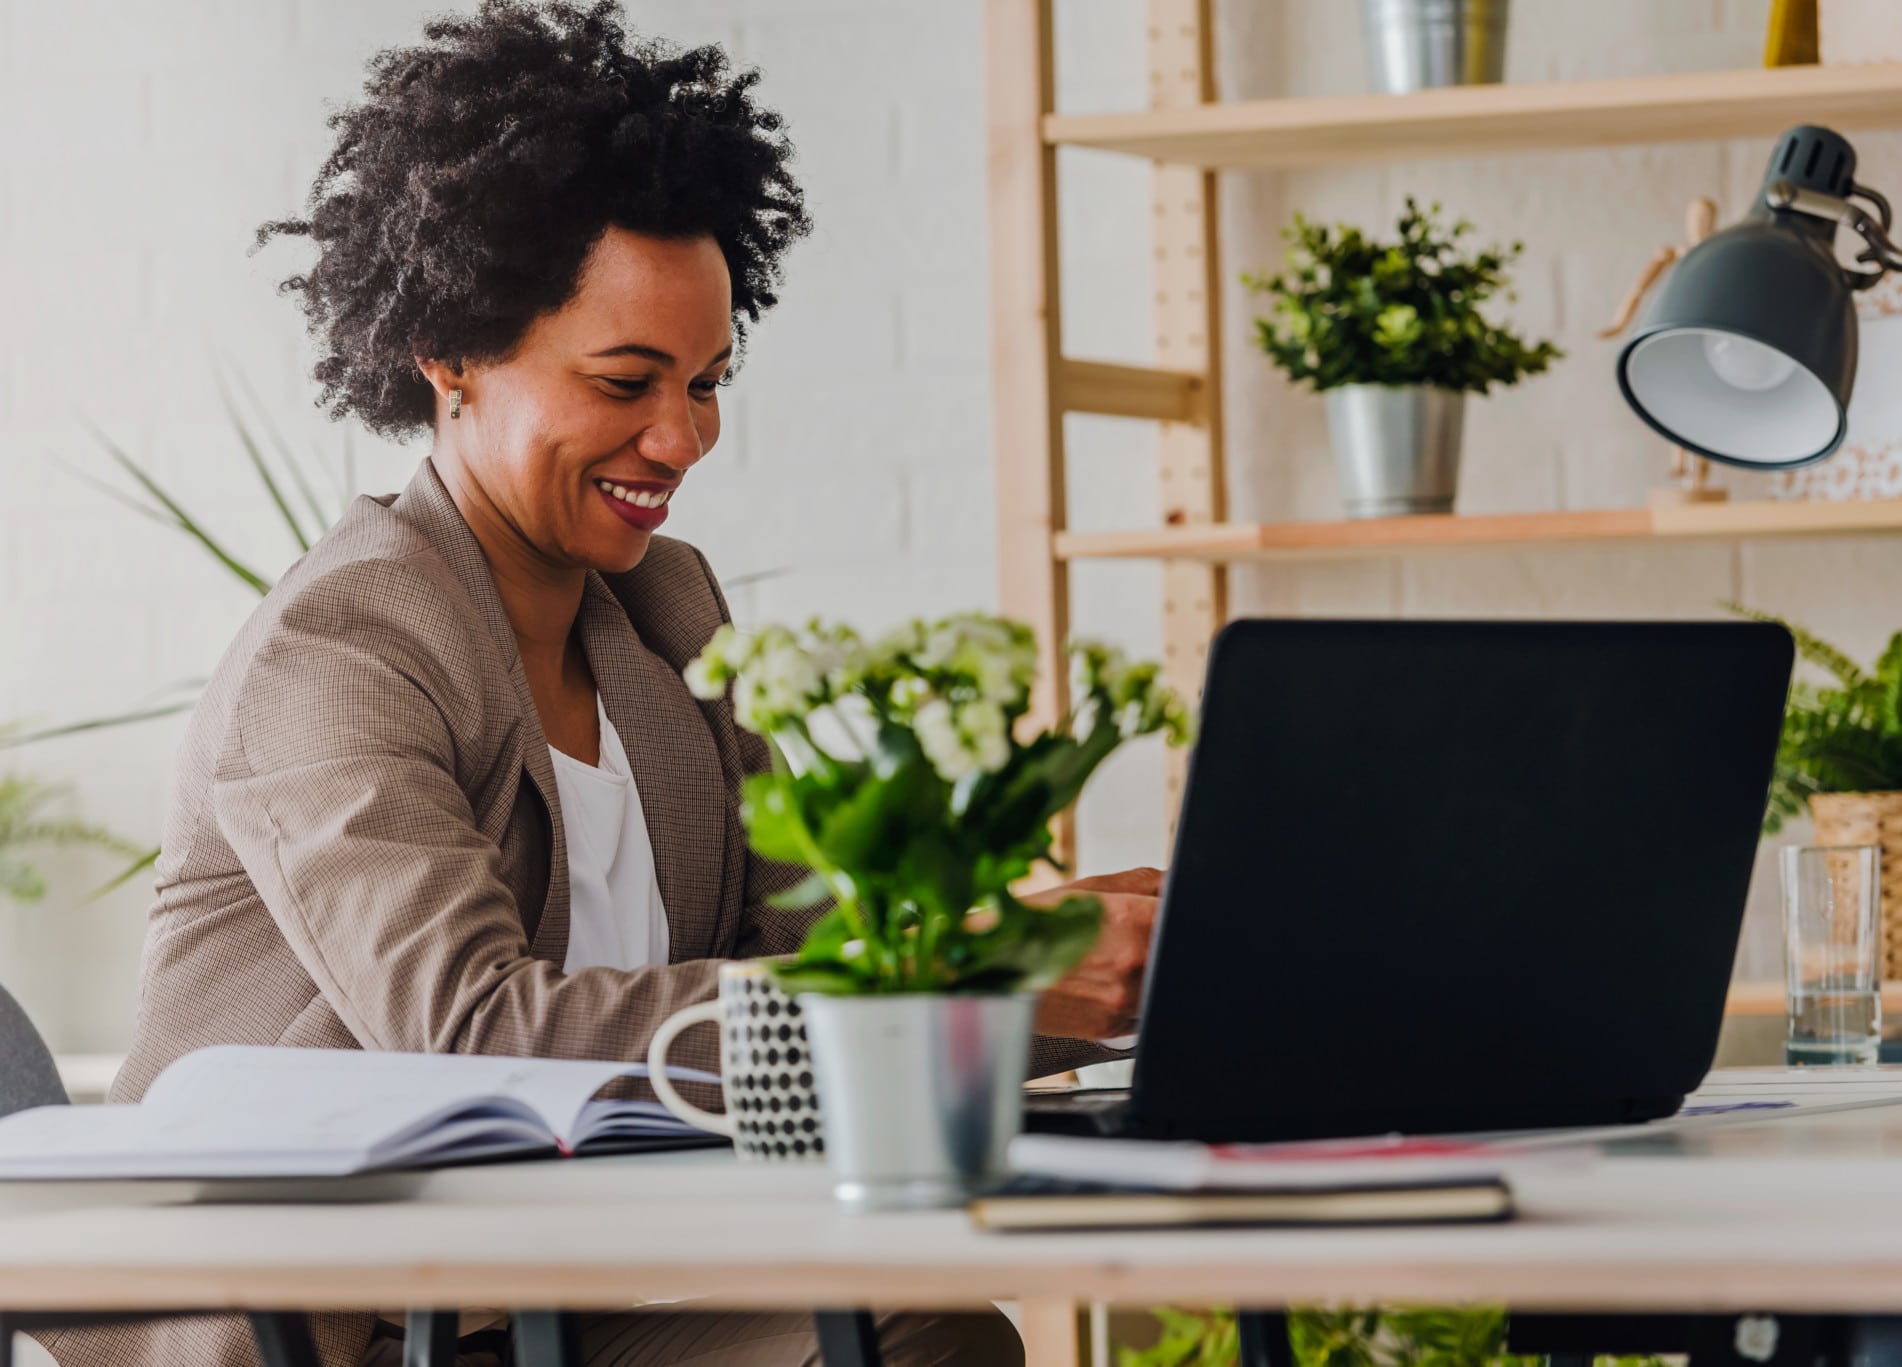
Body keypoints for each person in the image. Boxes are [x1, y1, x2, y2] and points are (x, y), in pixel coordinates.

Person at [39, 3, 1157, 1364]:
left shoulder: (666, 612)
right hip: (328, 1325)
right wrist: (974, 998)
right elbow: (469, 1028)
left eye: (706, 380)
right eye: (627, 380)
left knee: (927, 1334)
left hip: (547, 1307)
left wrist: (1021, 953)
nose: (681, 436)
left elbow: (802, 968)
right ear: (450, 356)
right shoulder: (343, 652)